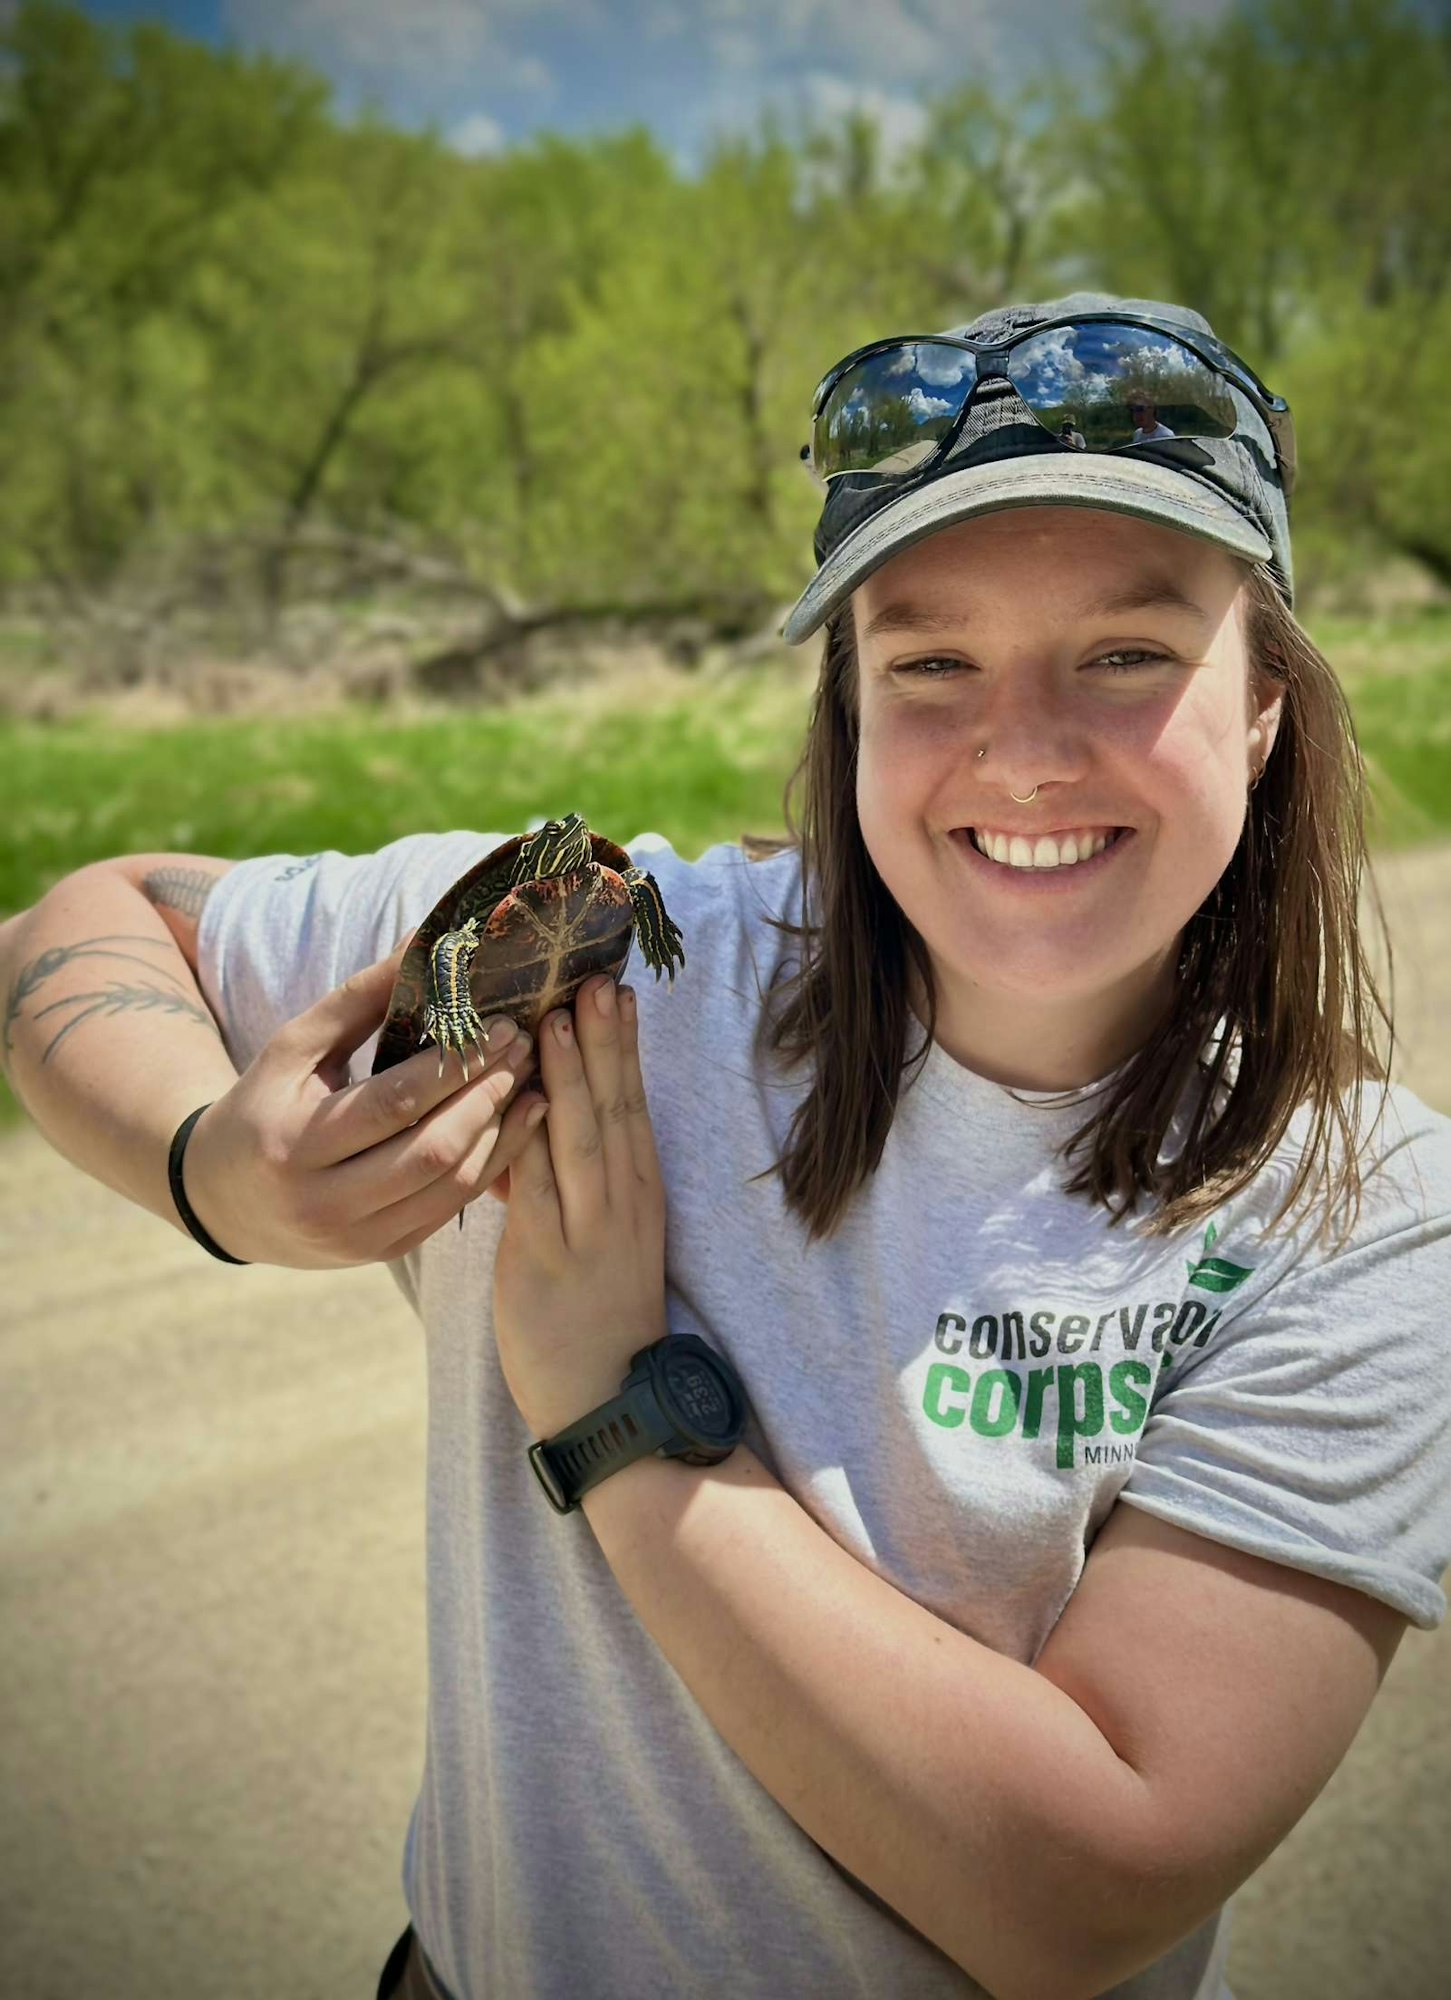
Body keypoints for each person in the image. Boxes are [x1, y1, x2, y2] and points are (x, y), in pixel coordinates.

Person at [2, 291, 1448, 2000]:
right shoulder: (599, 949)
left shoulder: (1358, 1210)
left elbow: (1079, 1891)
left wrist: (621, 1410)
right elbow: (92, 917)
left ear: (1269, 705)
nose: (1027, 749)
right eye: (931, 661)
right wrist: (215, 1172)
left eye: (1128, 653)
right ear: (845, 705)